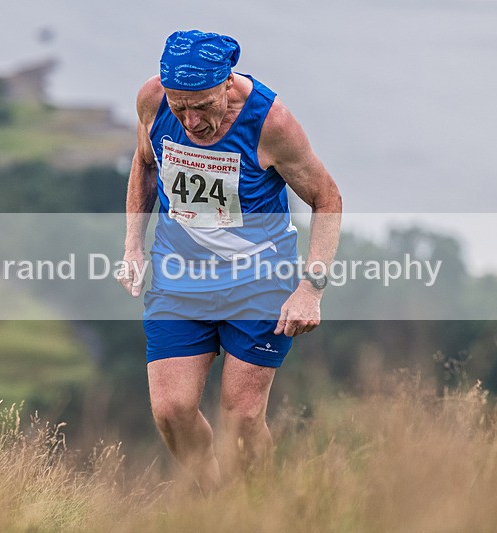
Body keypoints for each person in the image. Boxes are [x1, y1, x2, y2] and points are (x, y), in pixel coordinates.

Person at [119, 30, 341, 491]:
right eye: (180, 107)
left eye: (202, 106)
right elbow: (145, 163)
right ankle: (216, 504)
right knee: (171, 411)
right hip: (180, 276)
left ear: (227, 84)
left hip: (259, 280)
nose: (191, 122)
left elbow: (327, 198)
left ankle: (258, 508)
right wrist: (133, 246)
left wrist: (311, 289)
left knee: (241, 419)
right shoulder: (152, 101)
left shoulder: (271, 123)